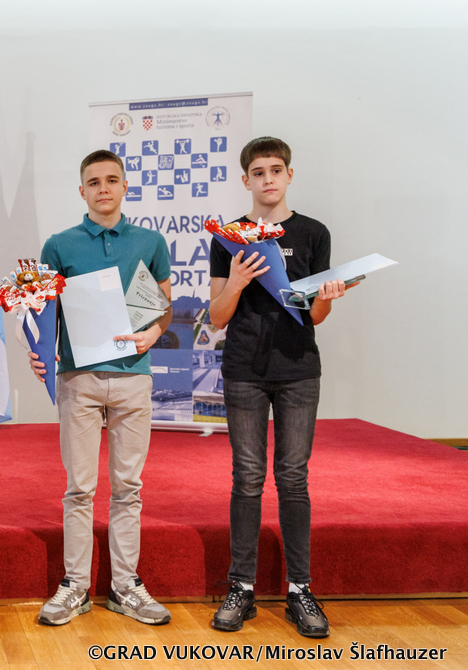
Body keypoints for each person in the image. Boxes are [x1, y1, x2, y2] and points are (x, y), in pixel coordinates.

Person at [207, 137, 354, 638]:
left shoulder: (314, 233)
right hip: (244, 368)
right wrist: (236, 281)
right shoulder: (228, 237)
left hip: (298, 370)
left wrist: (328, 296)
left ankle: (300, 589)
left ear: (290, 175)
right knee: (247, 477)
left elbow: (315, 315)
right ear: (245, 180)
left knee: (293, 478)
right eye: (258, 171)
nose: (268, 178)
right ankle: (241, 586)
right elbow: (216, 317)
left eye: (276, 169)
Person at [29, 150, 173, 627]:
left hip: (133, 376)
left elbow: (164, 306)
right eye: (94, 182)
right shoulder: (59, 245)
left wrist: (155, 333)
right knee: (79, 488)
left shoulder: (150, 242)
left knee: (128, 487)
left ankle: (125, 586)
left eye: (112, 180)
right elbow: (45, 312)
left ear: (125, 187)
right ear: (82, 191)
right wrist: (39, 351)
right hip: (79, 377)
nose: (103, 188)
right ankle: (75, 586)